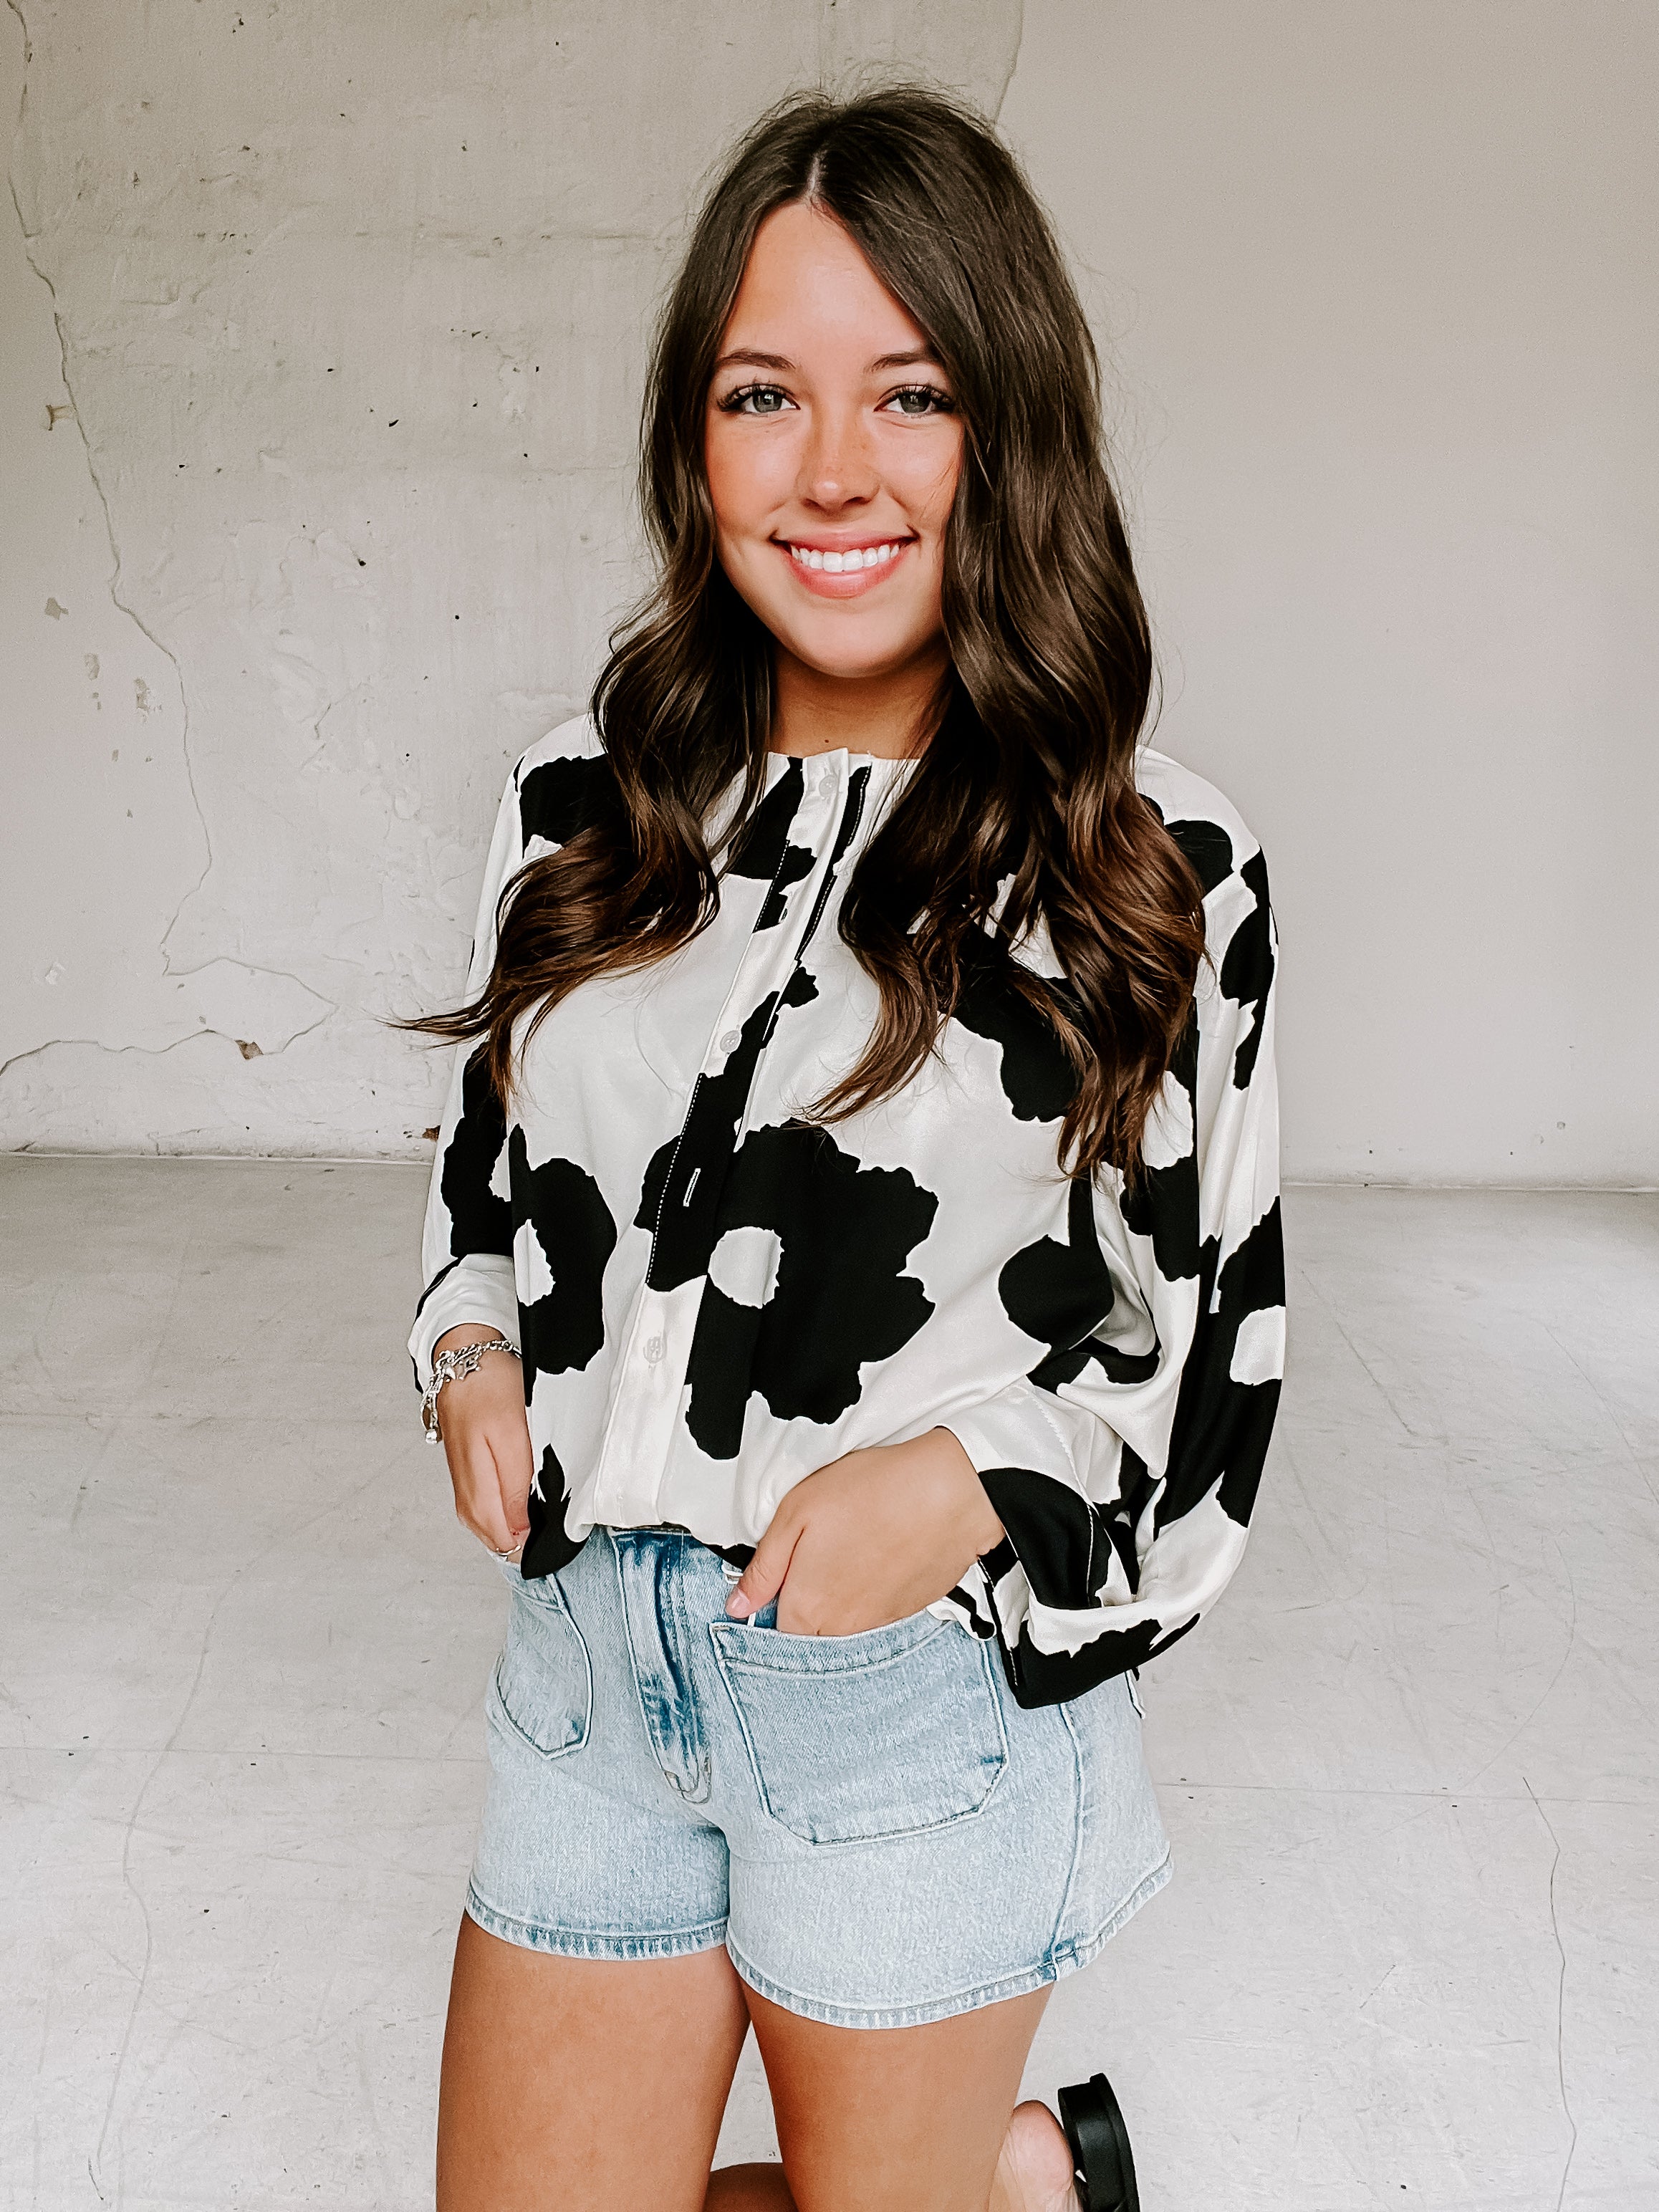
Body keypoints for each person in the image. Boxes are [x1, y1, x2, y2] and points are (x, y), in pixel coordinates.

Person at [406, 85, 1282, 2212]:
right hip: (592, 1661)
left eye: (908, 393)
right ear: (691, 441)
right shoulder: (580, 793)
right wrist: (464, 1353)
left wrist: (961, 1488)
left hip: (907, 1698)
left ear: (1008, 428)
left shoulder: (1151, 865)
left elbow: (1197, 1382)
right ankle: (1009, 2183)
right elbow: (483, 1189)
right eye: (760, 394)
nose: (830, 472)